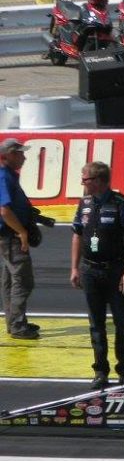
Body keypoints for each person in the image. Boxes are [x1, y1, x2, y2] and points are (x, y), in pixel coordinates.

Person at [70, 161, 124, 389]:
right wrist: (74, 268)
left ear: (99, 181)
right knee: (95, 323)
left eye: (86, 179)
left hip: (115, 270)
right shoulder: (84, 204)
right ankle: (100, 370)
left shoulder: (122, 204)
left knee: (121, 322)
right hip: (90, 269)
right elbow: (77, 235)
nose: (82, 183)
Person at [0, 138, 38, 340]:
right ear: (7, 156)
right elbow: (4, 210)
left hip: (8, 235)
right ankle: (17, 324)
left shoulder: (9, 175)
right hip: (11, 235)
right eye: (19, 153)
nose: (23, 157)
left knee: (9, 280)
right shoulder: (3, 176)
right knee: (22, 280)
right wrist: (22, 232)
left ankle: (14, 321)